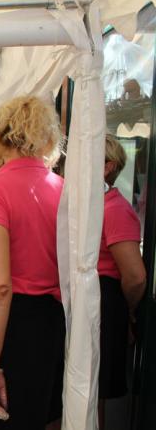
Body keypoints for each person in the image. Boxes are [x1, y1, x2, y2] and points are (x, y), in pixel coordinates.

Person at [0, 96, 64, 430]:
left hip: (17, 321)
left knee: (9, 418)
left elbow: (0, 285)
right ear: (47, 136)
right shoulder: (62, 188)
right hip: (57, 319)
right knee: (45, 415)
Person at [97, 134, 146, 429]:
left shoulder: (115, 209)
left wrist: (125, 310)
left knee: (96, 391)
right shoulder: (96, 205)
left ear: (108, 167)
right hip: (97, 302)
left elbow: (136, 276)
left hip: (106, 303)